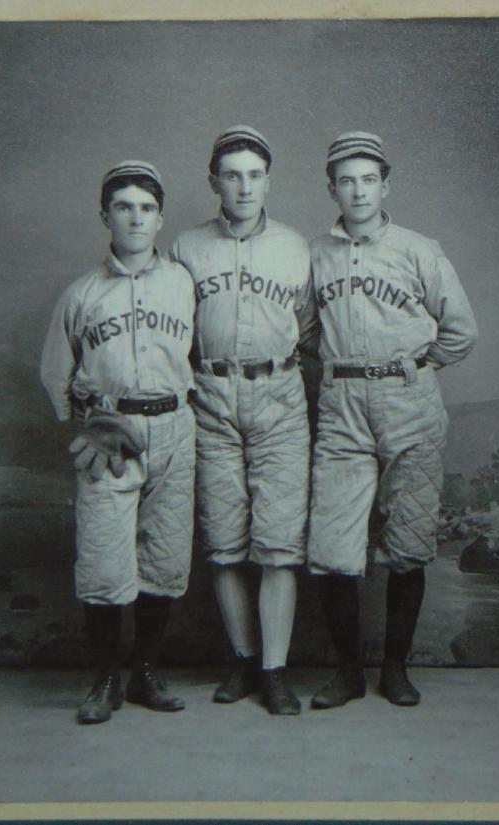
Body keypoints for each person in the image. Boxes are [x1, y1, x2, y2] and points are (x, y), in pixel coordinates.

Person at [304, 132, 477, 709]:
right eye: (346, 180)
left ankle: (396, 668)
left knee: (409, 539)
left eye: (368, 179)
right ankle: (348, 671)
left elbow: (461, 331)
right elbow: (305, 334)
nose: (358, 191)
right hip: (342, 402)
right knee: (332, 544)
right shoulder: (317, 254)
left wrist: (418, 363)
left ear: (386, 184)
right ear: (331, 187)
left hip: (408, 400)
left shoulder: (418, 248)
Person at [40, 161, 197, 724]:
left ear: (161, 219)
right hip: (111, 435)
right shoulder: (82, 294)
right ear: (104, 215)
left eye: (147, 208)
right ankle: (104, 680)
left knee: (166, 556)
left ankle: (145, 673)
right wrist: (83, 424)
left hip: (176, 428)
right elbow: (55, 374)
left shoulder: (183, 282)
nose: (135, 218)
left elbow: (198, 356)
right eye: (124, 207)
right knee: (106, 563)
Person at [170, 126, 314, 715]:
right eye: (232, 174)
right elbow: (173, 329)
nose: (245, 185)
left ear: (269, 181)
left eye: (255, 174)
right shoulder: (185, 247)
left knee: (278, 543)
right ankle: (242, 661)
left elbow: (309, 330)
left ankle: (276, 671)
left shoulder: (295, 246)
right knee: (224, 542)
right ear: (213, 182)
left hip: (278, 393)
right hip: (210, 394)